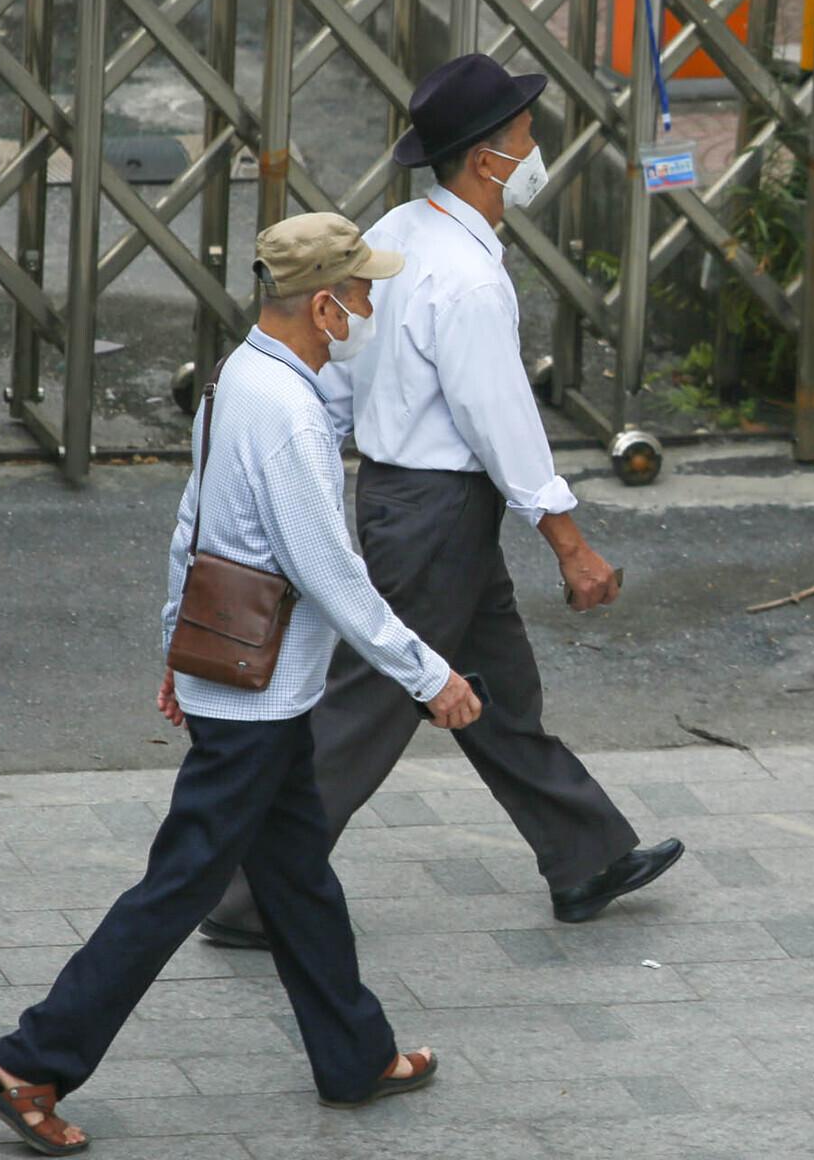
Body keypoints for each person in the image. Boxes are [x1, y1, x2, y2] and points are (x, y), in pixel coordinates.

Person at [0, 213, 482, 1155]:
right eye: (360, 292)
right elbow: (330, 572)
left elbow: (191, 523)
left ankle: (354, 1056)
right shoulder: (288, 413)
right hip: (258, 699)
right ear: (325, 304)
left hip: (249, 689)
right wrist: (428, 674)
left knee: (296, 876)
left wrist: (175, 645)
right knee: (177, 887)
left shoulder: (237, 377)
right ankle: (30, 1060)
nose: (369, 306)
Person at [202, 53, 682, 953]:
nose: (536, 147)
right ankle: (250, 893)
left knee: (496, 690)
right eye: (525, 135)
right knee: (371, 702)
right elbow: (500, 423)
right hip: (434, 508)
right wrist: (570, 544)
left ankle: (586, 856)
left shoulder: (400, 231)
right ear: (487, 159)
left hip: (416, 501)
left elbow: (351, 363)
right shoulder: (466, 277)